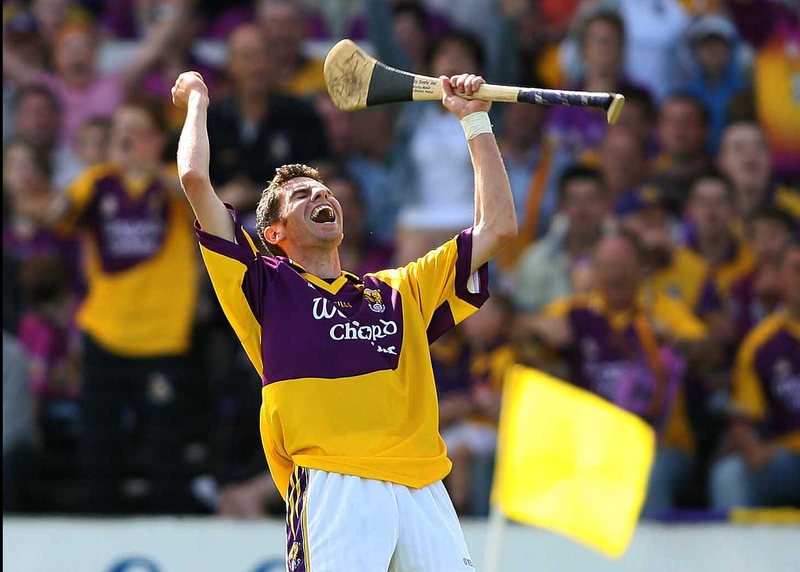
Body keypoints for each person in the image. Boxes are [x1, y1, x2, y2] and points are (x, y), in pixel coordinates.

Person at [172, 67, 516, 570]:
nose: (321, 196)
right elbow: (193, 179)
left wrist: (475, 121)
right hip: (334, 482)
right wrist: (198, 99)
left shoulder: (401, 290)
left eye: (324, 191)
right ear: (274, 234)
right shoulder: (263, 286)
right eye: (301, 195)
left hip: (422, 487)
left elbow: (498, 228)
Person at [520, 233, 706, 516]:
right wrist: (537, 330)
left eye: (622, 266)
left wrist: (674, 342)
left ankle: (650, 545)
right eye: (606, 266)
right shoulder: (575, 312)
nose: (614, 275)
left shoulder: (663, 311)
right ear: (594, 270)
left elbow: (710, 350)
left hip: (659, 444)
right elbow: (519, 328)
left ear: (641, 268)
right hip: (590, 444)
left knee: (648, 475)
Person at [709, 237, 800, 509]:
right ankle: (736, 541)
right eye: (797, 269)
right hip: (790, 458)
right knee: (730, 476)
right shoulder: (760, 343)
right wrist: (752, 448)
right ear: (779, 278)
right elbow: (743, 416)